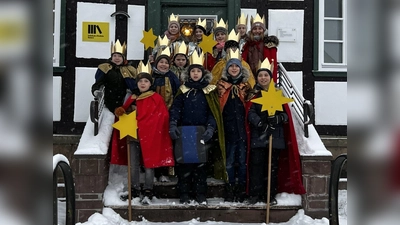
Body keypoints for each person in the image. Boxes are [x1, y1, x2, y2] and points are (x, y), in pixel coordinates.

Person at [246, 58, 306, 205]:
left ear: (270, 78)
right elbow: (250, 113)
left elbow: (286, 114)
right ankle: (255, 195)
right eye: (260, 75)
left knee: (271, 170)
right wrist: (261, 123)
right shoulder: (253, 94)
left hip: (275, 137)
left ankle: (269, 195)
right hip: (258, 137)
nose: (263, 78)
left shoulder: (279, 94)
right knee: (257, 168)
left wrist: (278, 119)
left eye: (266, 75)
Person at [169, 51, 225, 205]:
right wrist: (173, 125)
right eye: (193, 71)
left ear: (202, 73)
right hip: (184, 132)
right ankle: (184, 193)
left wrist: (210, 129)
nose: (195, 73)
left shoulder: (209, 90)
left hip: (201, 132)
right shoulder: (183, 90)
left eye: (198, 71)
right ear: (189, 73)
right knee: (184, 166)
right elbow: (176, 109)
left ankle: (200, 194)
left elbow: (213, 112)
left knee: (201, 167)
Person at [115, 61, 175, 204]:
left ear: (150, 83)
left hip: (150, 135)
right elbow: (124, 111)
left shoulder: (156, 98)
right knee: (133, 164)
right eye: (140, 81)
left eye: (146, 81)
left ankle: (149, 189)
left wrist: (146, 122)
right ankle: (134, 189)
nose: (143, 83)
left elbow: (162, 116)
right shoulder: (132, 97)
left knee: (150, 163)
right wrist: (122, 111)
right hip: (133, 134)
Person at [91, 40, 138, 166]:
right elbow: (98, 83)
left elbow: (134, 86)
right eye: (114, 56)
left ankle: (124, 160)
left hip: (125, 103)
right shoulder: (105, 68)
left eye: (119, 56)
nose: (117, 58)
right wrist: (96, 91)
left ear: (124, 58)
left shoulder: (130, 70)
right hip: (110, 103)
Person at [217, 50, 251, 202]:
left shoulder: (246, 87)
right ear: (227, 69)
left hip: (243, 130)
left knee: (243, 162)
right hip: (228, 129)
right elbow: (218, 106)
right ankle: (229, 188)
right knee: (229, 162)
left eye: (236, 66)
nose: (234, 69)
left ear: (240, 68)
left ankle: (242, 188)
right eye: (231, 66)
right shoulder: (221, 86)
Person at [152, 47, 181, 182]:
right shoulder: (151, 77)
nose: (163, 65)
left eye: (166, 63)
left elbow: (177, 95)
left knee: (166, 144)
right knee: (154, 143)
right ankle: (152, 169)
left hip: (168, 115)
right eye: (161, 62)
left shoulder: (172, 77)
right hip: (152, 116)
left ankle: (165, 170)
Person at [241, 13, 279, 79]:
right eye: (255, 29)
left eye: (260, 28)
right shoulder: (248, 44)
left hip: (264, 77)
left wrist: (273, 80)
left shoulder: (269, 44)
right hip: (251, 77)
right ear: (252, 30)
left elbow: (274, 64)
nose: (257, 31)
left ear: (264, 30)